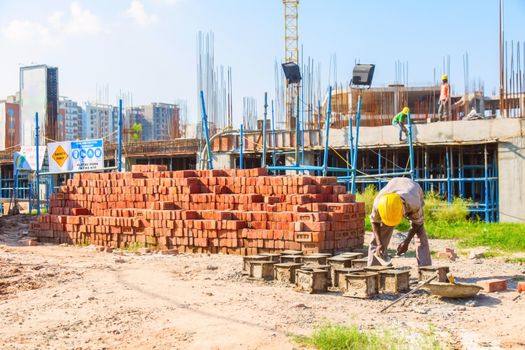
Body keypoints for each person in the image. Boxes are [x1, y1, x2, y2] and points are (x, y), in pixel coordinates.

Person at [367, 177, 432, 267]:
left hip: (413, 189)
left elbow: (417, 223)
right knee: (377, 238)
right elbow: (374, 222)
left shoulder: (414, 203)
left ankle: (426, 269)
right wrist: (379, 243)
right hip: (394, 186)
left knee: (420, 233)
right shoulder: (379, 203)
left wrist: (406, 242)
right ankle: (373, 269)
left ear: (403, 210)